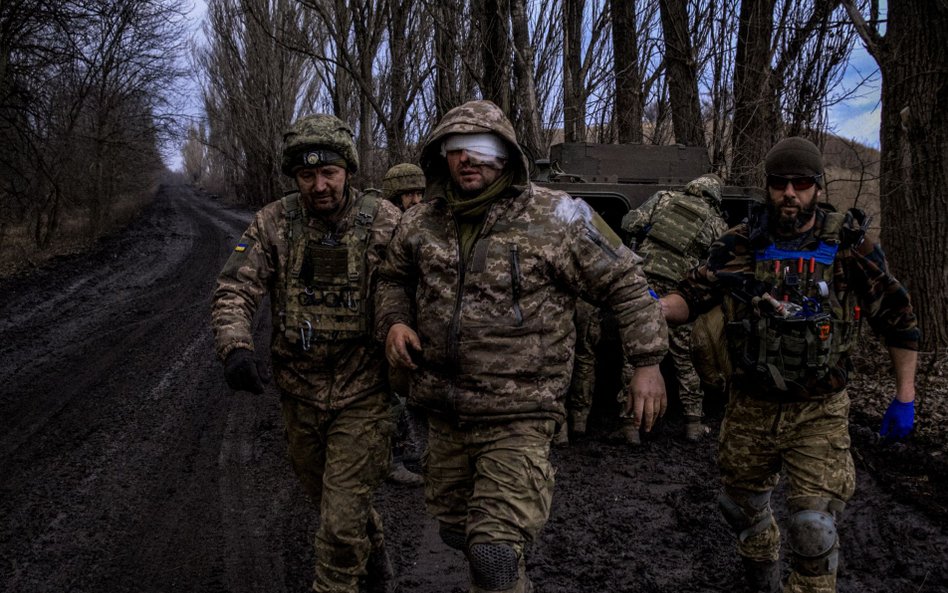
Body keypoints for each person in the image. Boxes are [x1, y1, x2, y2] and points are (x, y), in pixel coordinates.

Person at [374, 99, 668, 593]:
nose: (468, 158)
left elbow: (627, 280)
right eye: (456, 147)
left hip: (520, 412)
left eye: (482, 148)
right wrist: (395, 323)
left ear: (507, 156)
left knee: (492, 552)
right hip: (444, 410)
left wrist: (647, 361)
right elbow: (392, 278)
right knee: (458, 532)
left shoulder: (557, 218)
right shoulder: (420, 222)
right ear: (441, 155)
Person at [661, 137, 919, 593]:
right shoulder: (739, 244)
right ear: (768, 187)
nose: (790, 194)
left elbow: (898, 320)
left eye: (801, 184)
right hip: (750, 408)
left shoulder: (849, 247)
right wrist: (653, 306)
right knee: (740, 508)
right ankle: (761, 579)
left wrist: (905, 396)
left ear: (817, 187)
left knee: (813, 528)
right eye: (781, 184)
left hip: (817, 411)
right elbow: (693, 295)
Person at [210, 114, 403, 593]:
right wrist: (235, 345)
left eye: (329, 173)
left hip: (365, 395)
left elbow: (423, 287)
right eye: (307, 175)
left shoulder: (384, 222)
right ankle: (379, 572)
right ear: (295, 178)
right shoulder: (274, 222)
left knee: (337, 529)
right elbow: (235, 287)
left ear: (348, 171)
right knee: (336, 507)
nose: (319, 185)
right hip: (300, 395)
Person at [620, 174, 729, 441]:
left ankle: (630, 426)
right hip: (682, 293)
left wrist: (649, 232)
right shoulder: (717, 222)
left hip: (646, 285)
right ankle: (693, 423)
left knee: (635, 355)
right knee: (685, 358)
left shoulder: (664, 198)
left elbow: (629, 222)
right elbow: (717, 262)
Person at [381, 162, 428, 486]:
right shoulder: (383, 227)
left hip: (413, 321)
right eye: (407, 194)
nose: (414, 200)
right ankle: (392, 460)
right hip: (385, 324)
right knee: (390, 397)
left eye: (418, 193)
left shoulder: (422, 227)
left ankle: (410, 453)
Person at [553, 299, 601, 446]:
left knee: (556, 358)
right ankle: (579, 418)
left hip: (558, 302)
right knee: (585, 356)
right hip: (588, 302)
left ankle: (559, 428)